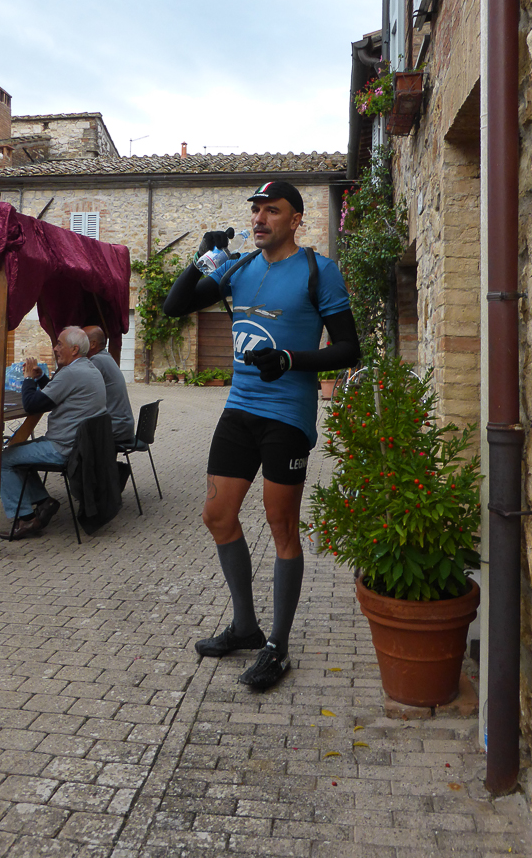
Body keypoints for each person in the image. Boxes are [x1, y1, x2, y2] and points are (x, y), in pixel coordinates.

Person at [163, 180, 360, 691]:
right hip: (239, 409)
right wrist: (201, 259)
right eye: (256, 210)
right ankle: (245, 627)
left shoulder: (318, 270)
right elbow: (173, 307)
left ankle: (278, 645)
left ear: (295, 220)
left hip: (287, 415)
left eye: (272, 211)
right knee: (217, 515)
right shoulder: (239, 268)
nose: (259, 219)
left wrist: (291, 360)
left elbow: (349, 349)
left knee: (281, 527)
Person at [0, 326, 107, 540]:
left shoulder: (70, 373)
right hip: (81, 446)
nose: (55, 348)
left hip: (63, 448)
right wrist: (40, 379)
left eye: (59, 344)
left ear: (74, 350)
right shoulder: (88, 368)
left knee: (2, 459)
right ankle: (43, 502)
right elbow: (56, 395)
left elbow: (32, 405)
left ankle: (26, 519)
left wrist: (28, 379)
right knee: (17, 451)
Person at [83, 325, 135, 446]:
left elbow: (78, 389)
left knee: (71, 435)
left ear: (92, 344)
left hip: (115, 429)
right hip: (123, 426)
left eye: (81, 340)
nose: (77, 344)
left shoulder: (96, 361)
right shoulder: (106, 357)